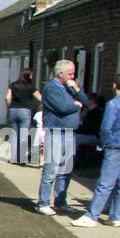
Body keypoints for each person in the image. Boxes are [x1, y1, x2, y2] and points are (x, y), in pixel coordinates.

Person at [71, 73, 120, 227]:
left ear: (114, 85)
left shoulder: (113, 104)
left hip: (115, 146)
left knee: (105, 183)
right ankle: (116, 216)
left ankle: (92, 216)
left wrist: (105, 143)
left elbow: (105, 128)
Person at [36, 60, 89, 214]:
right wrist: (76, 105)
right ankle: (43, 203)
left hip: (70, 132)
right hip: (56, 132)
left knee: (66, 170)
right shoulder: (50, 88)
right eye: (70, 74)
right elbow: (62, 108)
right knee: (51, 168)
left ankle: (60, 201)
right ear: (60, 73)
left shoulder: (70, 88)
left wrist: (77, 90)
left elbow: (86, 102)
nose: (73, 76)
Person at [5, 68, 41, 164]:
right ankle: (21, 159)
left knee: (14, 135)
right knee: (23, 136)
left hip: (13, 110)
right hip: (25, 111)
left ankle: (13, 158)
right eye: (31, 75)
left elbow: (7, 98)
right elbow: (40, 98)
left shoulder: (13, 85)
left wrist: (8, 108)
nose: (32, 77)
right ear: (28, 76)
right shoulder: (31, 87)